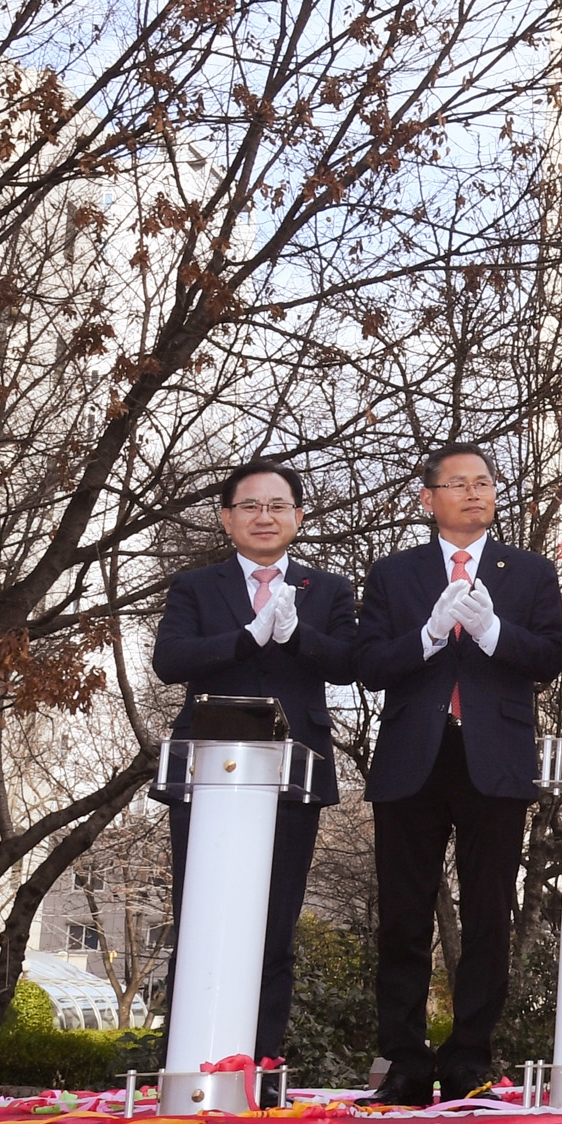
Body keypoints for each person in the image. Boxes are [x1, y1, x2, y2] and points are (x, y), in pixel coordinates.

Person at [352, 443, 562, 1104]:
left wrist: (493, 630)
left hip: (492, 757)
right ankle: (405, 1059)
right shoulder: (395, 574)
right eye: (458, 484)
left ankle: (471, 1055)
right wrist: (427, 636)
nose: (475, 493)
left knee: (486, 914)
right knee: (404, 915)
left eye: (484, 483)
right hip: (414, 757)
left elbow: (550, 655)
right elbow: (369, 663)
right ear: (428, 499)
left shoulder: (529, 571)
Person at [150, 458, 359, 1070]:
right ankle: (183, 1064)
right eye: (250, 507)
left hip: (292, 774)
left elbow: (351, 664)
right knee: (198, 916)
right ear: (226, 518)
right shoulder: (196, 585)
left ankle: (260, 1065)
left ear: (298, 516)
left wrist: (295, 634)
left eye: (277, 506)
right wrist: (248, 635)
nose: (264, 517)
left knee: (276, 922)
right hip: (207, 774)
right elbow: (171, 659)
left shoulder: (330, 590)